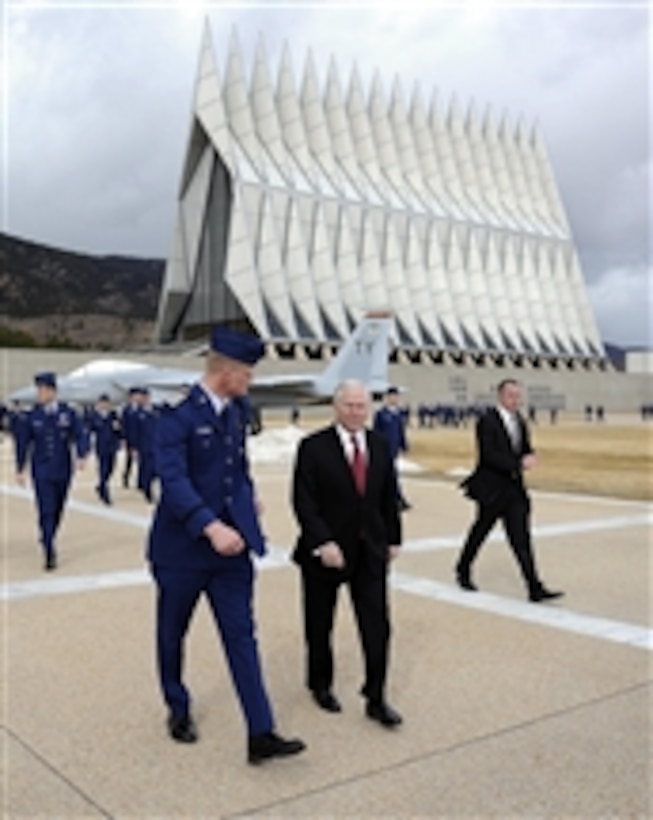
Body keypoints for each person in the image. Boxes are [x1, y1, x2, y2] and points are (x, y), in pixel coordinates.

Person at [147, 325, 305, 765]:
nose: (250, 382)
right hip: (181, 553)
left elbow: (237, 467)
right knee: (172, 634)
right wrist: (211, 526)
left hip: (231, 553)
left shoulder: (236, 412)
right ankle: (177, 708)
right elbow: (174, 483)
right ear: (228, 372)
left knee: (242, 637)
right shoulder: (175, 419)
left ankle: (261, 732)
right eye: (248, 375)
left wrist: (246, 499)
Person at [292, 379, 403, 728]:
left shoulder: (380, 445)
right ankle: (320, 684)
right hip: (326, 553)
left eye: (361, 406)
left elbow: (388, 497)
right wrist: (323, 542)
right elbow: (304, 502)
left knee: (378, 627)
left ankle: (376, 696)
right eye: (349, 405)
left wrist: (393, 539)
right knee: (319, 624)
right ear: (336, 407)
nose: (356, 412)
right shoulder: (313, 447)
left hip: (369, 550)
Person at [454, 379, 563, 603]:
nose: (516, 400)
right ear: (501, 396)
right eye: (512, 395)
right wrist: (518, 463)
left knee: (521, 539)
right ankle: (463, 568)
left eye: (518, 396)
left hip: (514, 490)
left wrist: (531, 456)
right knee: (480, 531)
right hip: (492, 490)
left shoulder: (520, 421)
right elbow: (489, 455)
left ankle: (534, 586)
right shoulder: (487, 421)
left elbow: (524, 448)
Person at [15, 372, 88, 570]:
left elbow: (80, 434)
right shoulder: (32, 416)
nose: (41, 394)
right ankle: (49, 550)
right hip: (42, 470)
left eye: (45, 390)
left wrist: (82, 455)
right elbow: (23, 443)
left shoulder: (68, 413)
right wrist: (20, 468)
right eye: (39, 390)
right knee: (46, 509)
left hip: (63, 468)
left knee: (58, 509)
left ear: (53, 391)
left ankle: (48, 533)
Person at [373, 386, 411, 511]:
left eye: (396, 397)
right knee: (391, 474)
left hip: (394, 450)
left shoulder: (398, 414)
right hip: (383, 449)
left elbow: (401, 432)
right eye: (391, 396)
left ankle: (393, 499)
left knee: (390, 475)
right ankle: (398, 499)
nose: (394, 399)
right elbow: (376, 432)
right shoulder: (381, 414)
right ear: (387, 398)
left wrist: (404, 446)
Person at [88, 394, 122, 505]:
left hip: (112, 445)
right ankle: (104, 491)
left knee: (111, 468)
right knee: (103, 468)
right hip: (101, 446)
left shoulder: (113, 415)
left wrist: (118, 429)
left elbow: (120, 430)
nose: (104, 405)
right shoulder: (94, 415)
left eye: (106, 403)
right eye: (102, 403)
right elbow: (90, 428)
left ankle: (101, 484)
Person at [120, 387, 141, 488]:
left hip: (141, 439)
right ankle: (126, 477)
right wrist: (124, 438)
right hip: (130, 438)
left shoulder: (142, 408)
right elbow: (124, 425)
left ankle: (140, 480)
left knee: (142, 461)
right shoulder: (126, 410)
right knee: (129, 460)